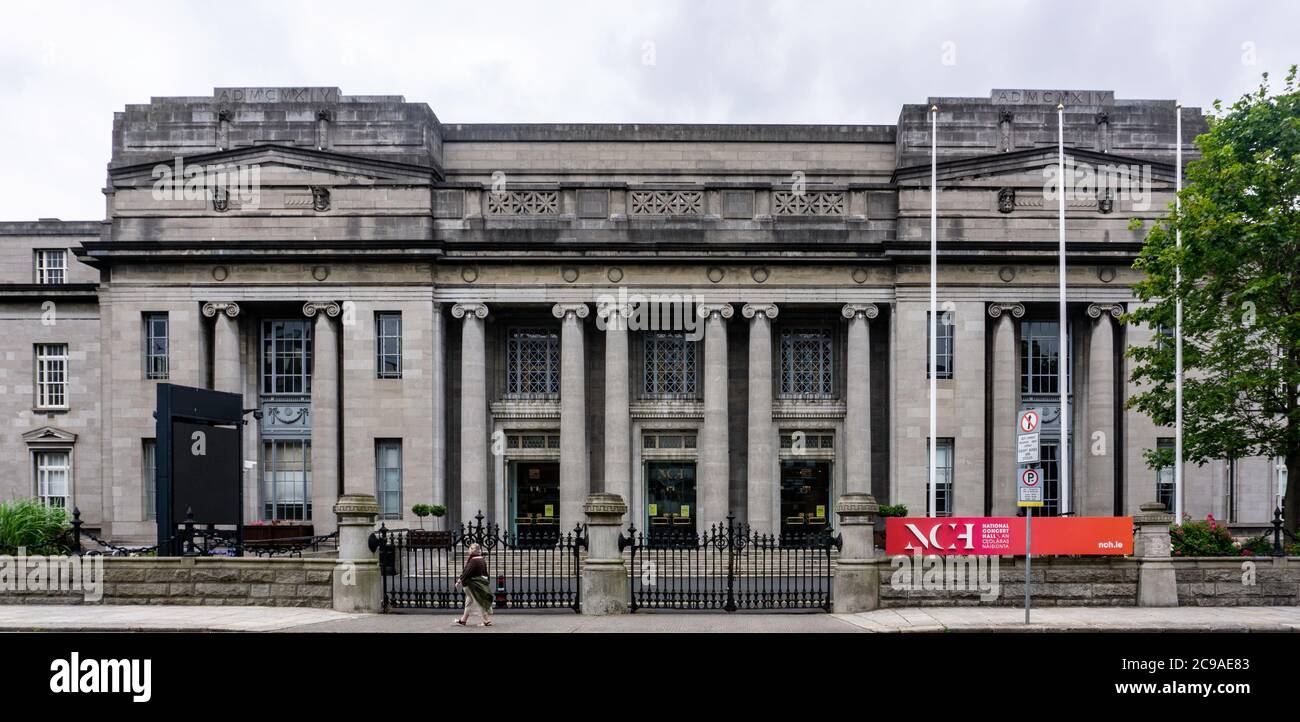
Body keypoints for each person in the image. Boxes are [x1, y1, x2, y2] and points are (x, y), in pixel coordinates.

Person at [454, 543, 493, 627]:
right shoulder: (481, 559)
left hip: (472, 585)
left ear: (473, 550)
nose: (468, 550)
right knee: (469, 602)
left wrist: (459, 581)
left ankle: (486, 620)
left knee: (478, 601)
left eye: (470, 548)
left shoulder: (473, 560)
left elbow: (466, 572)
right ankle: (463, 620)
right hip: (478, 584)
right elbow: (485, 573)